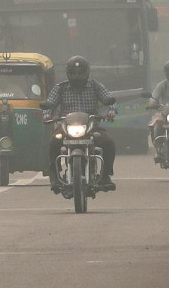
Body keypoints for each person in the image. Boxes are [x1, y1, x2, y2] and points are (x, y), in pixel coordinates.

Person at [42, 56, 117, 192]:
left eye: (80, 72)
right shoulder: (60, 88)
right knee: (53, 142)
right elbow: (49, 104)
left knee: (108, 143)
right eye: (74, 72)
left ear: (86, 72)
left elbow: (109, 99)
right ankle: (54, 175)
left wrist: (111, 111)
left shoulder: (95, 86)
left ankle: (105, 175)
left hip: (91, 128)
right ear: (68, 72)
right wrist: (47, 115)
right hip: (66, 129)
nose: (77, 76)